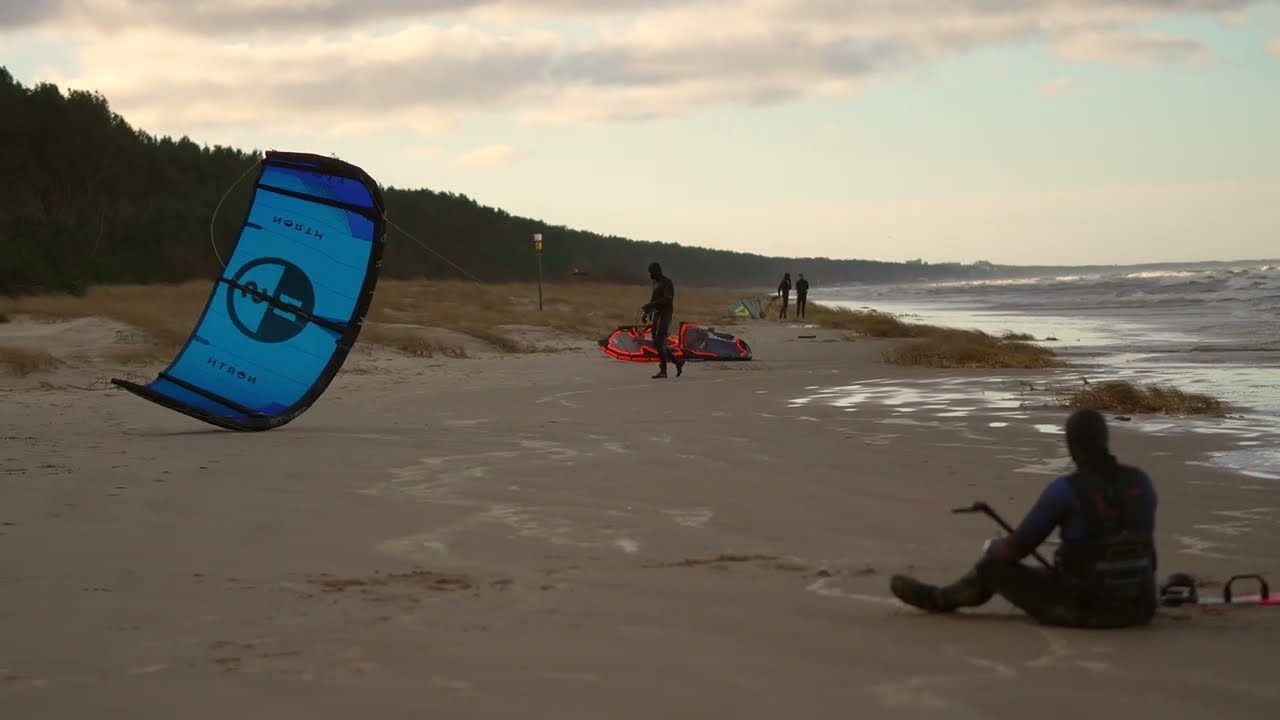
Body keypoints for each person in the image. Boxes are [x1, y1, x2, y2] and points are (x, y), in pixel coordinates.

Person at [889, 408, 1159, 628]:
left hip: (1087, 609)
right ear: (1104, 440)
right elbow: (1150, 554)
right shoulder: (1141, 482)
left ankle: (938, 599)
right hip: (1141, 607)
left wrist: (992, 548)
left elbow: (1013, 551)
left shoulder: (1066, 490)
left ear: (1072, 445)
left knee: (993, 567)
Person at [641, 261, 684, 379]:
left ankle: (663, 371)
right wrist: (646, 312)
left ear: (656, 271)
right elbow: (653, 299)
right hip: (657, 314)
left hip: (666, 314)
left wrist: (650, 305)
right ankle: (677, 361)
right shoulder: (655, 283)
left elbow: (667, 299)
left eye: (650, 272)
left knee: (660, 340)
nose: (649, 275)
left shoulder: (667, 283)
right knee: (656, 341)